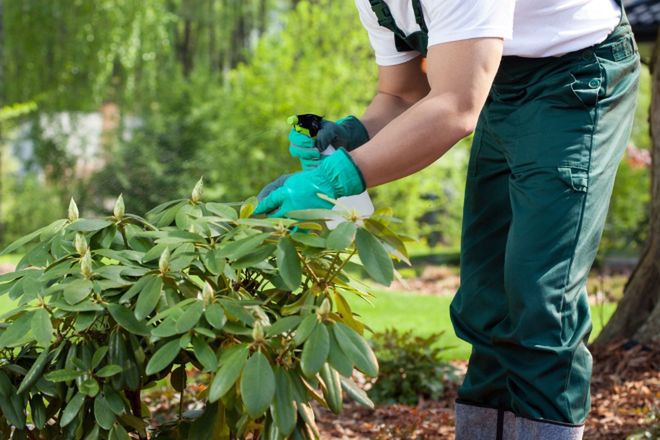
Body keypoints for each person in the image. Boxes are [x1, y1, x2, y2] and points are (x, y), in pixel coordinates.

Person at [255, 0, 640, 438]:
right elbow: (402, 94)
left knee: (538, 294)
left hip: (576, 71)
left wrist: (335, 178)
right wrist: (351, 138)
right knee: (485, 297)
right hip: (496, 76)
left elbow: (456, 107)